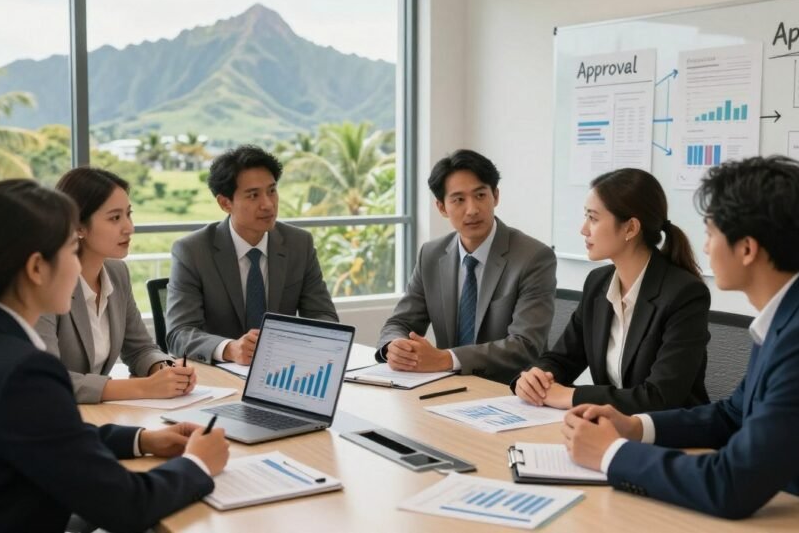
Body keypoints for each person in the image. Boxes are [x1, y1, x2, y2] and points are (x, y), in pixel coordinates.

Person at [561, 156, 799, 529]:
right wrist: (636, 427)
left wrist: (612, 454)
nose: (704, 247)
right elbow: (733, 414)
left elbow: (730, 484)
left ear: (747, 249)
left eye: (711, 233)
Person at [0, 179, 229, 533]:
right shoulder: (23, 371)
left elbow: (49, 434)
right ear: (37, 268)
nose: (79, 268)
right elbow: (126, 506)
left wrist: (141, 440)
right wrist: (197, 464)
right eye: (72, 251)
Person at [511, 168, 710, 413]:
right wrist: (535, 378)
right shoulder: (598, 283)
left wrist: (572, 397)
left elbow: (660, 398)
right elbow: (564, 358)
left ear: (630, 228)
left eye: (593, 218)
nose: (583, 229)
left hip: (673, 437)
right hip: (612, 429)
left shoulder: (684, 294)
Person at [377, 150, 556, 384]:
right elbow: (400, 322)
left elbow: (525, 345)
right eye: (458, 200)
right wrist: (394, 346)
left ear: (496, 196)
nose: (472, 209)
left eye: (480, 195)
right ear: (442, 207)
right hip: (446, 387)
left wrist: (446, 359)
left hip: (508, 391)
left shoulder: (533, 257)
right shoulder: (431, 255)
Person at [35, 167, 195, 404]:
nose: (129, 227)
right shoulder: (45, 283)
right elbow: (46, 380)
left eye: (128, 214)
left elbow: (139, 348)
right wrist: (144, 388)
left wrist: (166, 369)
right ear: (78, 226)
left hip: (95, 416)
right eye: (115, 218)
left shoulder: (116, 273)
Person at [167, 145, 338, 364]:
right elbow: (179, 333)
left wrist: (294, 344)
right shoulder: (193, 251)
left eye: (272, 191)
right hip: (221, 375)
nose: (268, 204)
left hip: (281, 368)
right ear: (225, 203)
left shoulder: (298, 243)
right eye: (253, 195)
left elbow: (324, 316)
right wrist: (229, 349)